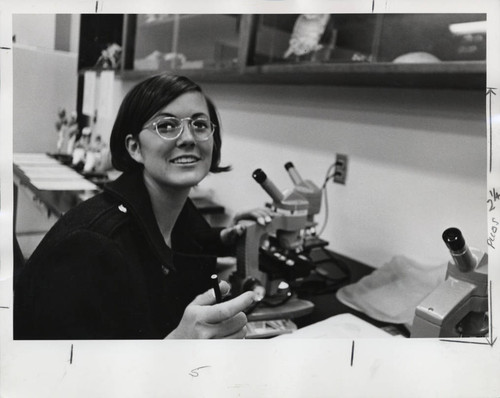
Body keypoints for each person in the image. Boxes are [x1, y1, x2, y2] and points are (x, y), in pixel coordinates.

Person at [14, 74, 274, 340]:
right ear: (134, 147)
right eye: (167, 125)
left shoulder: (179, 211)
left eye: (199, 124)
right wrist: (175, 346)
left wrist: (230, 237)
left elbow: (192, 244)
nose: (188, 138)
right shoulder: (92, 245)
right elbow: (66, 373)